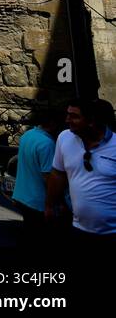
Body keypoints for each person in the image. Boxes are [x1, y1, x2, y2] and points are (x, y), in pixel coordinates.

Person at [45, 98, 116, 241]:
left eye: (74, 116)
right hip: (77, 229)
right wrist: (50, 205)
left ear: (91, 121)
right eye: (68, 114)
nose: (67, 120)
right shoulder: (64, 138)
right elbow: (58, 174)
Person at [12, 106, 63, 242]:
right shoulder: (47, 144)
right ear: (53, 124)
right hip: (38, 202)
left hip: (23, 196)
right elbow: (48, 178)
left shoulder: (27, 135)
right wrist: (54, 203)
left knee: (29, 234)